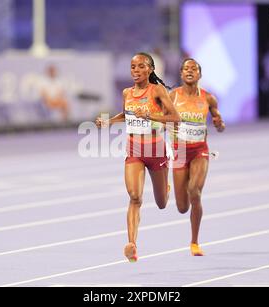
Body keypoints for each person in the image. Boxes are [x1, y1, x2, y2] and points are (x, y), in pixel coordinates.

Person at [96, 52, 180, 262]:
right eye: (133, 67)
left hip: (156, 150)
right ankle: (132, 243)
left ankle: (166, 188)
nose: (136, 71)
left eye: (141, 66)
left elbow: (175, 118)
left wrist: (150, 115)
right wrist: (109, 122)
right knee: (135, 197)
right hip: (134, 150)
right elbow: (127, 114)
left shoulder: (158, 91)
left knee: (161, 203)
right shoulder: (127, 93)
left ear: (150, 69)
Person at [169, 58, 225, 256]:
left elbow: (220, 123)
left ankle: (194, 243)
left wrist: (219, 124)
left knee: (195, 190)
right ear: (181, 74)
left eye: (194, 68)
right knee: (182, 207)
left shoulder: (209, 98)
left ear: (200, 75)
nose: (190, 71)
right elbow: (160, 117)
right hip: (179, 152)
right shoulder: (172, 96)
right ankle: (171, 188)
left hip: (200, 150)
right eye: (186, 68)